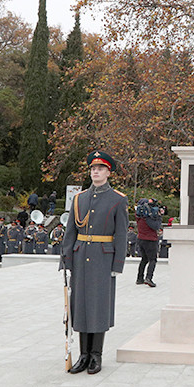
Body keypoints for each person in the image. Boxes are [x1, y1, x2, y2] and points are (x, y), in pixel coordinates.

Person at [61, 150, 128, 375]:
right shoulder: (80, 198)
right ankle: (83, 355)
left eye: (100, 169)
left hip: (102, 257)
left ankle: (96, 355)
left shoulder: (118, 200)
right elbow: (70, 231)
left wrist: (117, 264)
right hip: (81, 257)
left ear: (109, 172)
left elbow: (121, 234)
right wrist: (66, 259)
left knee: (98, 306)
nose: (95, 172)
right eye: (93, 168)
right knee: (80, 306)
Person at [135, 198, 162, 287]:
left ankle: (139, 278)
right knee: (152, 260)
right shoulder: (149, 217)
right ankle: (149, 278)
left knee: (144, 259)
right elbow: (156, 226)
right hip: (150, 240)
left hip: (140, 239)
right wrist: (159, 216)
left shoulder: (139, 216)